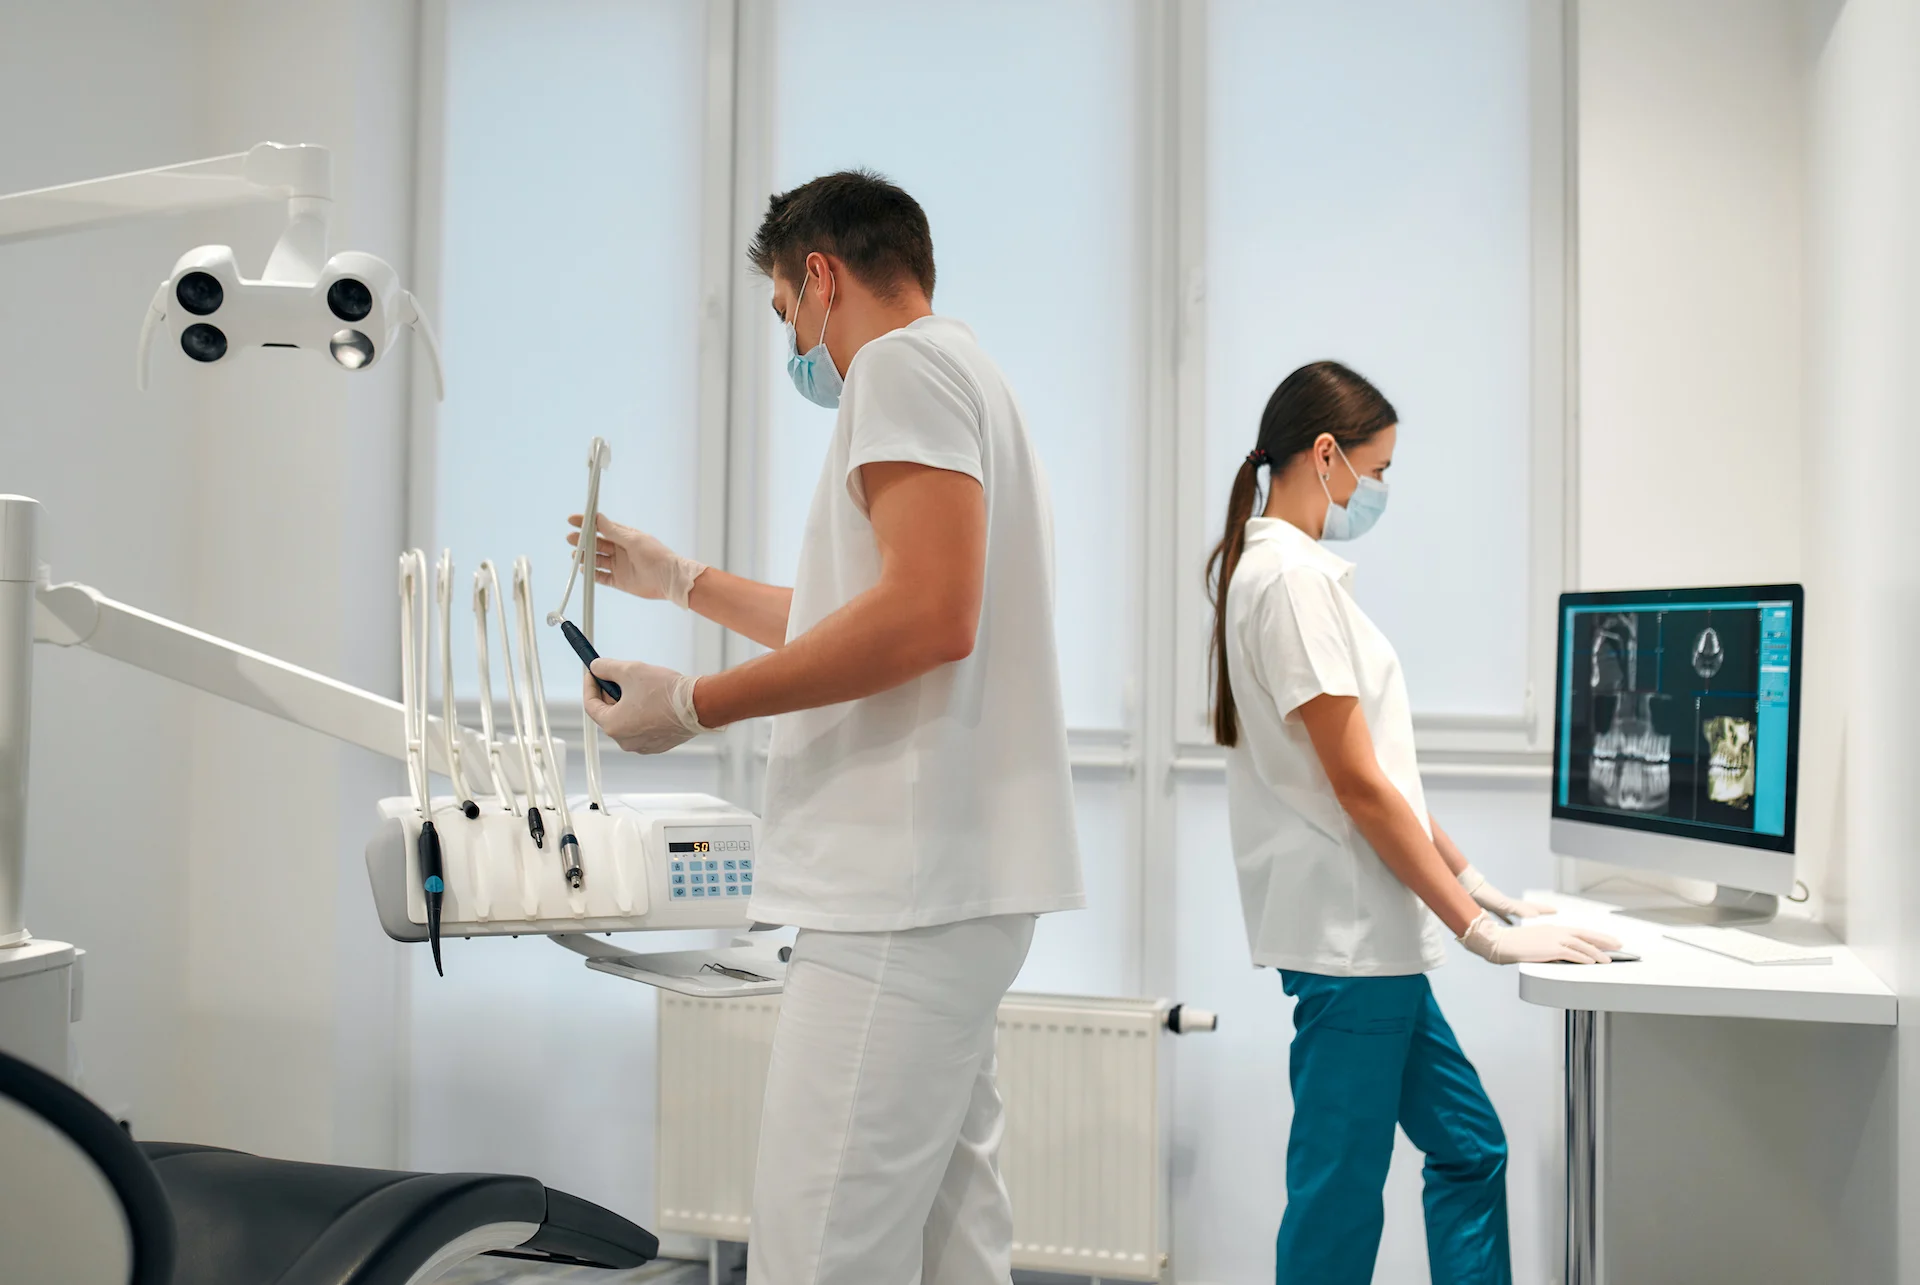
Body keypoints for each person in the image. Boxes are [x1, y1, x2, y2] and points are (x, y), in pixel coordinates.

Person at [572, 170, 1084, 1284]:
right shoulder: (974, 377)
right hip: (957, 893)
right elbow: (863, 613)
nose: (794, 345)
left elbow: (928, 618)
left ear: (820, 277)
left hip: (897, 896)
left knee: (820, 1253)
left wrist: (693, 706)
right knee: (954, 1245)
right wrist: (682, 580)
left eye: (783, 314)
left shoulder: (898, 367)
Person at [1205, 362, 1620, 1285]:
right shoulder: (1288, 580)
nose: (1382, 488)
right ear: (1326, 455)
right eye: (1379, 469)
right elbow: (1359, 786)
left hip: (1376, 948)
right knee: (1337, 1205)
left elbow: (1383, 776)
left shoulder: (1292, 573)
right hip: (1353, 952)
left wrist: (1476, 884)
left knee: (1471, 1148)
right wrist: (1480, 933)